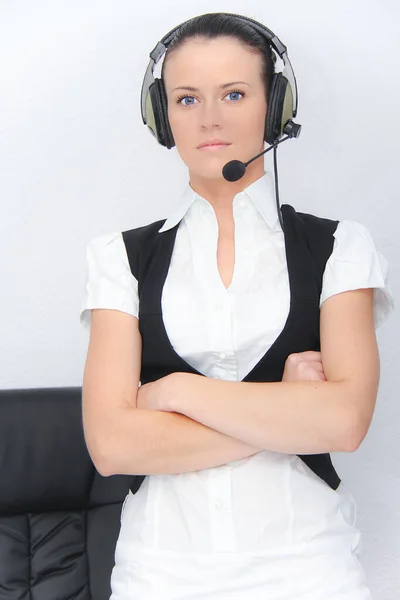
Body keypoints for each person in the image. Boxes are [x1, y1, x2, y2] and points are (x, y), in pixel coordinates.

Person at [80, 12, 394, 599]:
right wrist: (287, 409)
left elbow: (345, 422)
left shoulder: (338, 248)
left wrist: (174, 393)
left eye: (234, 93)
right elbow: (112, 445)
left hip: (307, 565)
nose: (210, 118)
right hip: (160, 567)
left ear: (274, 105)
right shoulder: (118, 258)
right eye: (187, 98)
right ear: (162, 116)